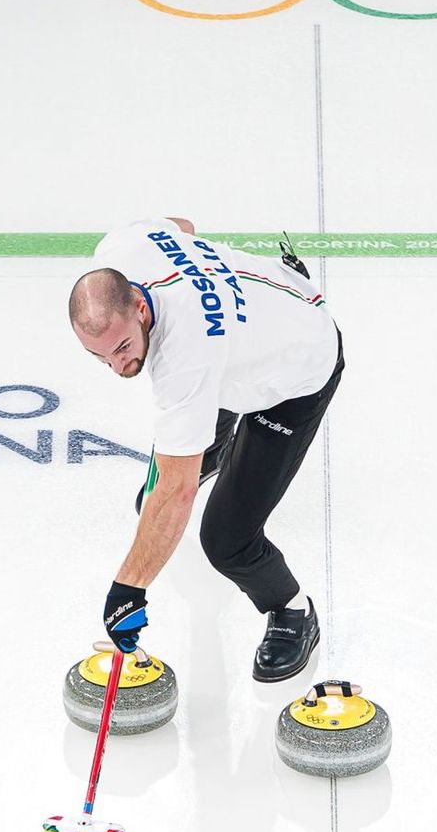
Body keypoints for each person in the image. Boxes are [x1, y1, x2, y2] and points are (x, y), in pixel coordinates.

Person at [68, 217, 343, 683]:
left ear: (139, 306)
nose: (118, 367)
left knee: (226, 539)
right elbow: (180, 225)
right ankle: (209, 447)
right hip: (259, 320)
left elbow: (176, 494)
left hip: (297, 371)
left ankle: (293, 611)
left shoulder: (184, 357)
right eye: (101, 356)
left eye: (123, 348)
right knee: (180, 447)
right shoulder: (122, 247)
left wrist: (128, 590)